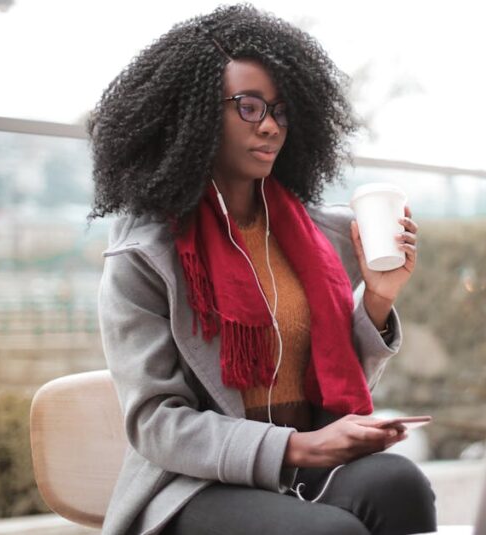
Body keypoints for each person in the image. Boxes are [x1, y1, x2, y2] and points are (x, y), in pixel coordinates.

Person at [88, 5, 436, 534]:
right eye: (249, 107)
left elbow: (335, 380)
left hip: (300, 465)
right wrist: (297, 447)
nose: (271, 126)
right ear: (195, 115)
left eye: (280, 110)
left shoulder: (319, 236)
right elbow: (156, 424)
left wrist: (377, 299)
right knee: (329, 532)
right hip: (195, 486)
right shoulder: (144, 253)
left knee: (399, 484)